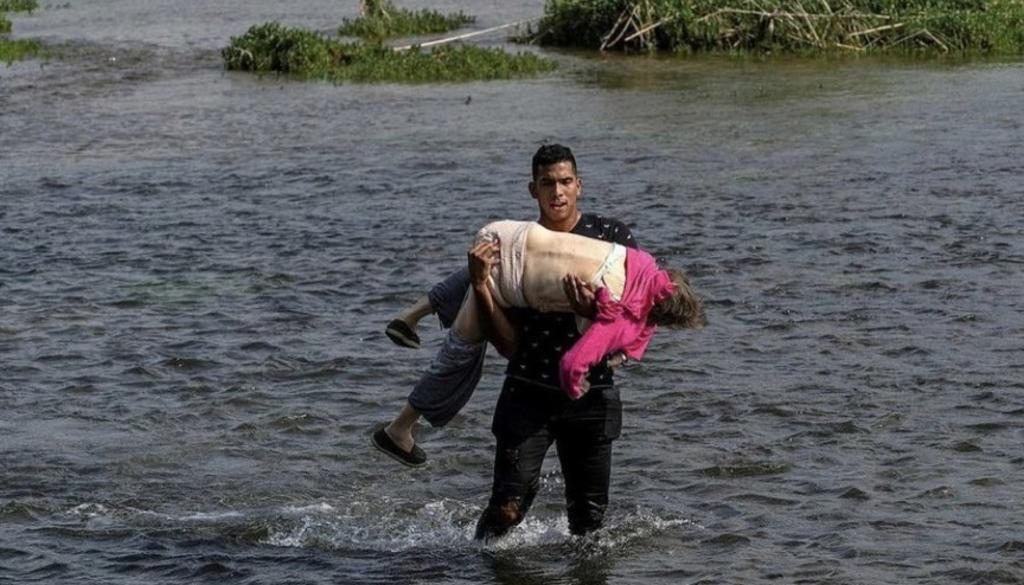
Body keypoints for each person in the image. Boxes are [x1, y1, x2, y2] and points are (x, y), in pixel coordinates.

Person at [373, 144, 638, 468]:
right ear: (533, 189)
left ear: (579, 185)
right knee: (471, 317)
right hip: (529, 374)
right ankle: (402, 421)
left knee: (493, 268)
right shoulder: (524, 238)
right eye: (547, 183)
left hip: (588, 384)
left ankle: (413, 322)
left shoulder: (607, 234)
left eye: (565, 182)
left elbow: (633, 308)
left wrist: (615, 344)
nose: (557, 192)